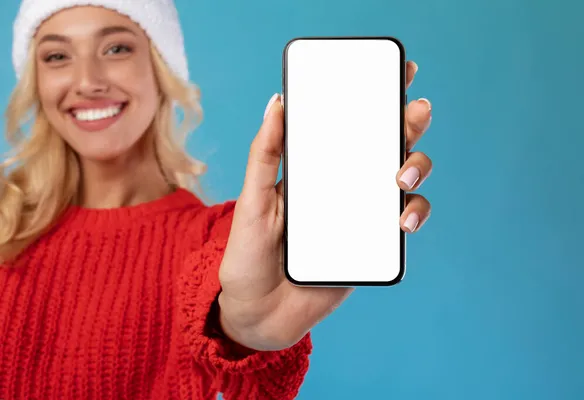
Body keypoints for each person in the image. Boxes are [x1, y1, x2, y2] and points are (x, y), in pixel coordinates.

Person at [0, 0, 434, 399]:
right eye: (57, 56)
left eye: (116, 49)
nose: (88, 81)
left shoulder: (225, 242)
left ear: (162, 68)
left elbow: (229, 311)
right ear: (34, 82)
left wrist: (248, 329)